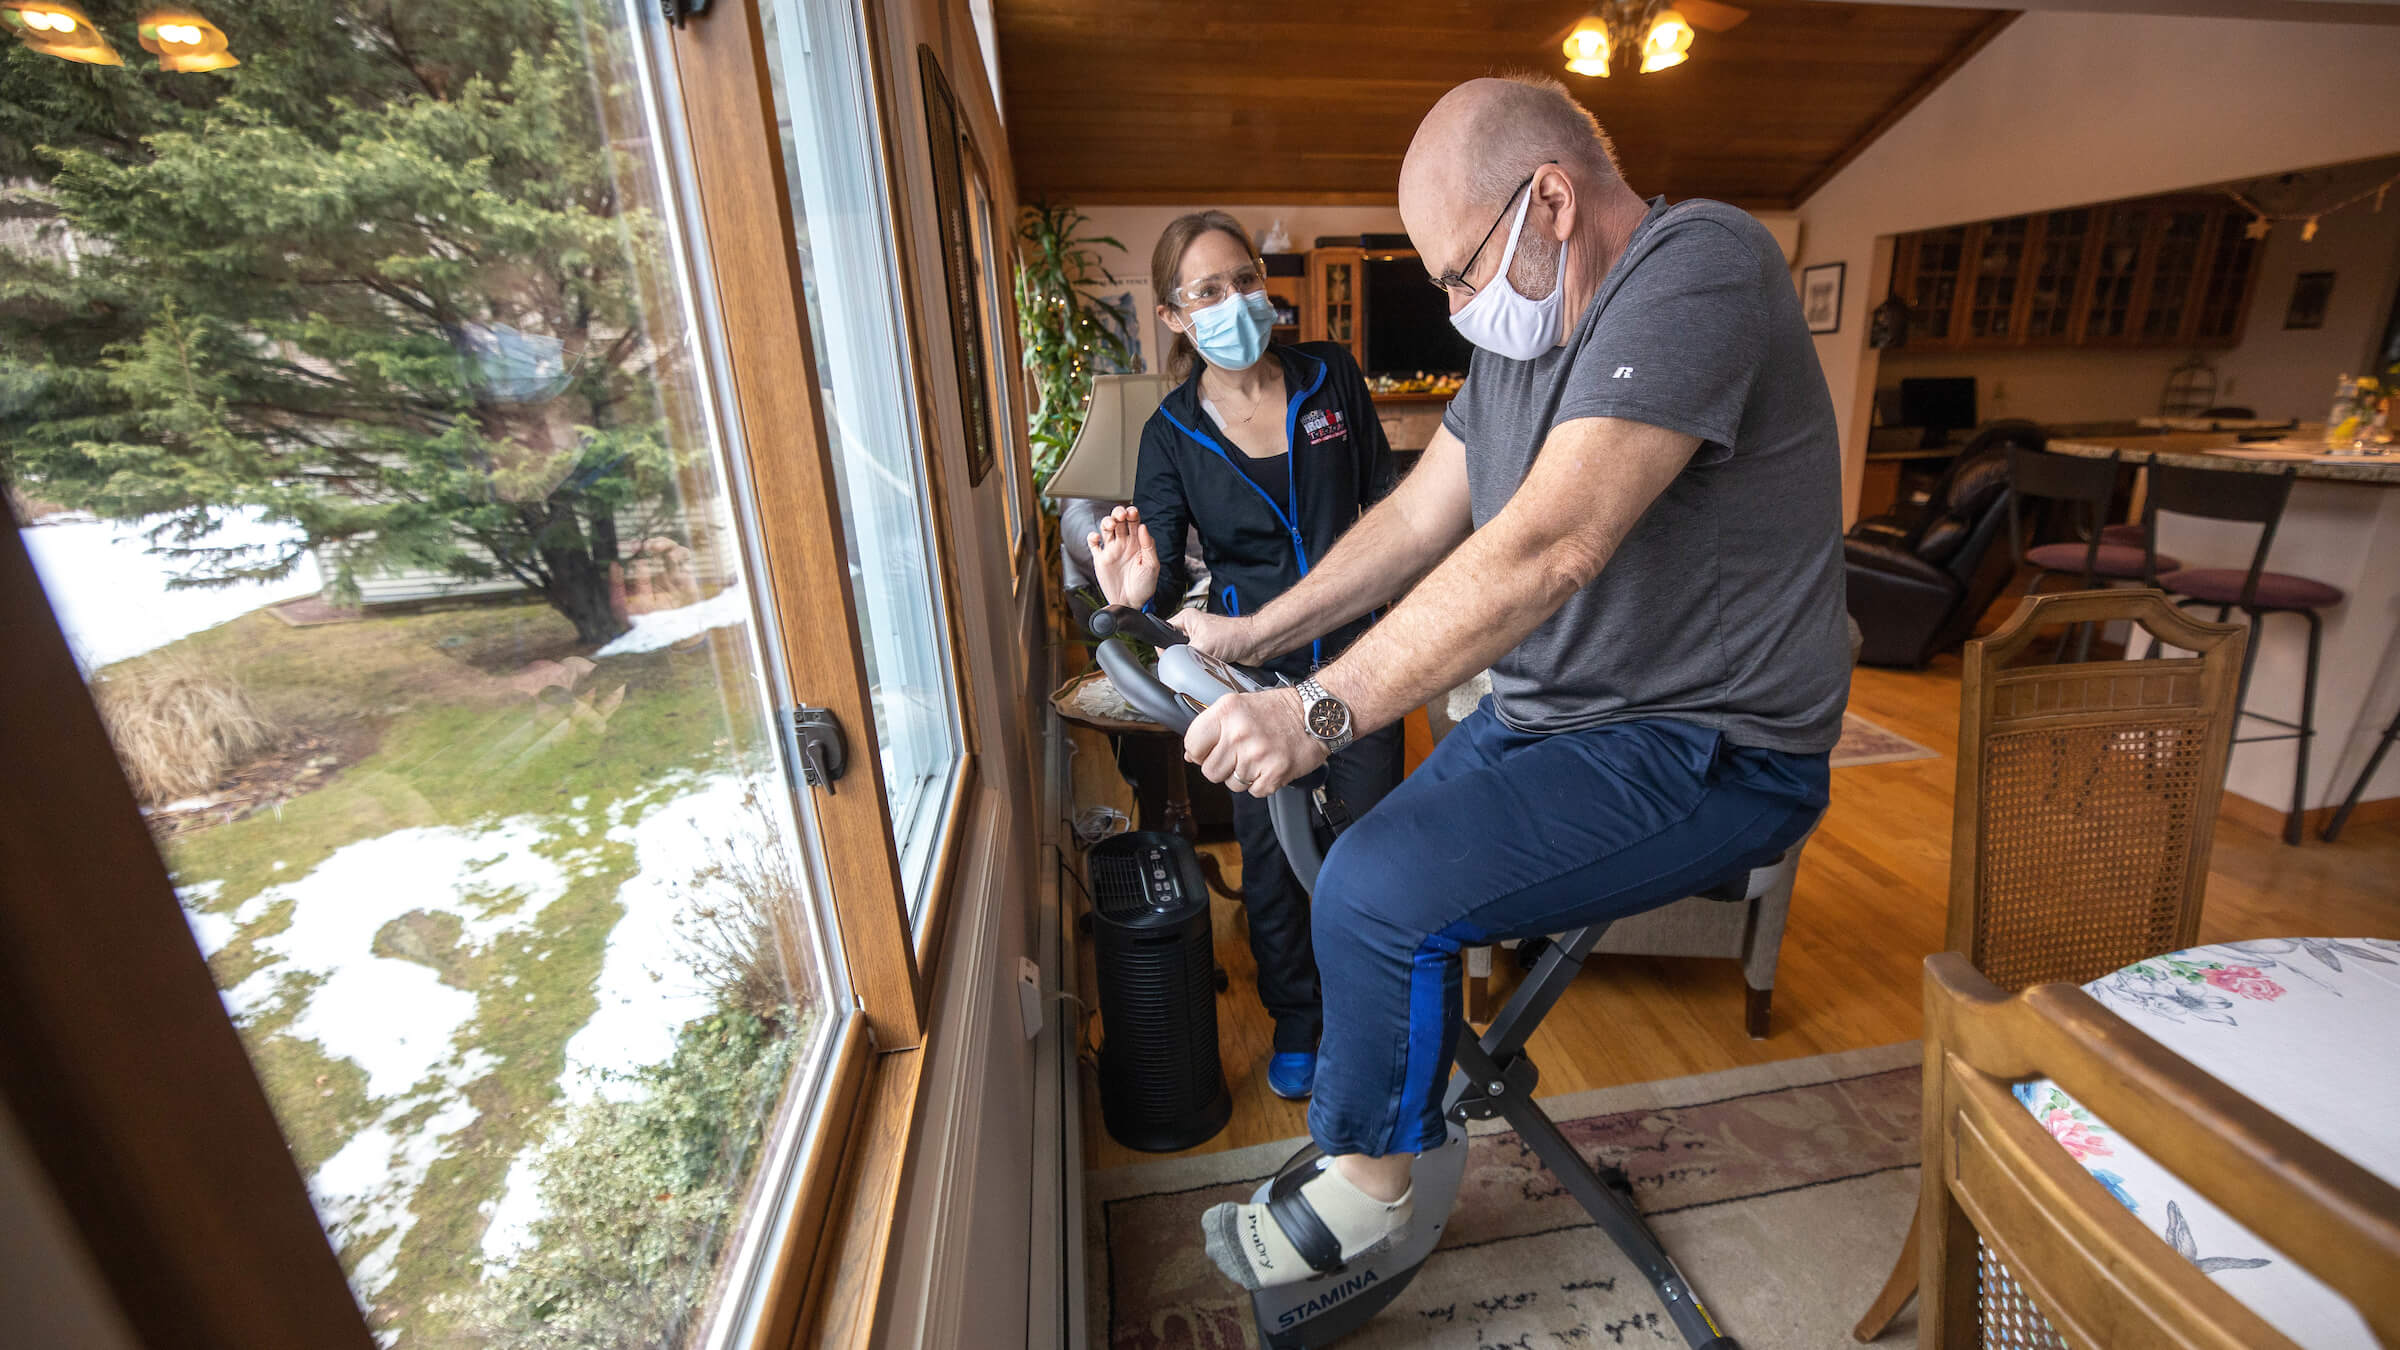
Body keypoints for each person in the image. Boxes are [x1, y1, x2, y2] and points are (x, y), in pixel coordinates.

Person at [1164, 76, 1852, 1289]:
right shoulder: (1514, 336)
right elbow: (1420, 518)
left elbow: (1552, 545)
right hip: (1555, 722)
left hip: (1712, 745)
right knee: (1359, 882)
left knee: (1378, 891)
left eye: (1458, 273)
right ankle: (1390, 1136)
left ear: (1550, 199)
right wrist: (1253, 632)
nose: (1452, 305)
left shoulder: (1702, 265)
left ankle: (1372, 1185)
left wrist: (1315, 712)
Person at [1086, 210, 1403, 1103]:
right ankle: (1299, 1019)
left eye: (1248, 280)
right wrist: (1129, 586)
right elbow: (1153, 571)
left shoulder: (1329, 374)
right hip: (1251, 674)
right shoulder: (1170, 434)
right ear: (1176, 318)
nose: (1238, 302)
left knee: (1371, 845)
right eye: (1210, 292)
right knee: (1273, 860)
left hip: (1360, 655)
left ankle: (1370, 1014)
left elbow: (1383, 499)